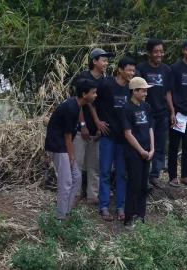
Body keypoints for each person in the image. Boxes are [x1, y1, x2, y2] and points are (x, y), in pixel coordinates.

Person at [45, 78, 98, 219]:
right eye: (93, 93)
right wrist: (71, 156)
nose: (95, 95)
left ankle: (66, 210)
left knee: (76, 176)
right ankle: (60, 216)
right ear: (84, 94)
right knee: (66, 181)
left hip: (64, 146)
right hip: (58, 146)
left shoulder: (77, 105)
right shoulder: (71, 107)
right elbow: (68, 136)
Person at [92, 57, 136, 222]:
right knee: (104, 172)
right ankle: (103, 206)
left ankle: (120, 207)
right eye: (129, 70)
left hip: (124, 138)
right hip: (108, 135)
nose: (132, 73)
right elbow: (92, 102)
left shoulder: (132, 88)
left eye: (133, 71)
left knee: (122, 174)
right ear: (120, 70)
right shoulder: (106, 84)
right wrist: (97, 121)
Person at [73, 48, 113, 204]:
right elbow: (79, 104)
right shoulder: (83, 78)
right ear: (94, 61)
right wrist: (83, 125)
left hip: (97, 130)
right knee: (76, 162)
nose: (106, 63)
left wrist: (99, 127)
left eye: (107, 61)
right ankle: (75, 193)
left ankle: (93, 195)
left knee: (94, 164)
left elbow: (102, 106)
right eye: (103, 60)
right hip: (80, 128)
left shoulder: (104, 81)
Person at [136, 38, 171, 188]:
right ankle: (143, 175)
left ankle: (155, 175)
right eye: (156, 51)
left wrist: (172, 112)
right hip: (146, 112)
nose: (159, 54)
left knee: (160, 145)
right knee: (145, 143)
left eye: (161, 51)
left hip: (162, 112)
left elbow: (168, 92)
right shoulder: (141, 68)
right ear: (148, 53)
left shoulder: (166, 70)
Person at [166, 39, 187, 188]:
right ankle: (172, 176)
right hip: (177, 112)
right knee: (174, 145)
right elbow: (169, 91)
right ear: (183, 51)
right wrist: (172, 111)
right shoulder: (174, 68)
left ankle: (185, 175)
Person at [122, 77, 154, 229]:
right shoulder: (126, 108)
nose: (146, 93)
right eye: (143, 90)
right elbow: (128, 133)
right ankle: (129, 219)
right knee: (133, 185)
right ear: (134, 91)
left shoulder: (146, 106)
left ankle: (141, 217)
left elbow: (150, 128)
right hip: (134, 152)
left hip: (147, 152)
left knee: (143, 186)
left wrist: (152, 149)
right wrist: (141, 151)